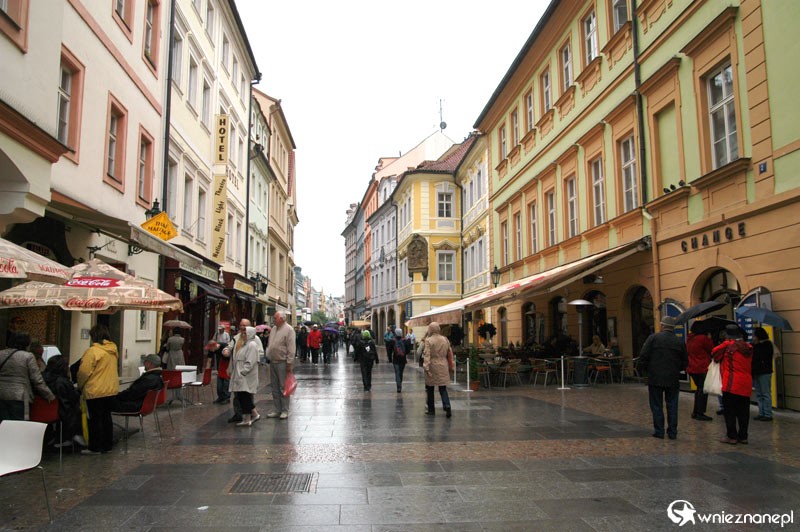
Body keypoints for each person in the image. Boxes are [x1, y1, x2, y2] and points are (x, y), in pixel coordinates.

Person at [639, 316, 688, 440]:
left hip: (655, 378)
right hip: (673, 378)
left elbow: (643, 356)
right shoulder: (679, 341)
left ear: (662, 326)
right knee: (672, 405)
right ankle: (672, 432)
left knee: (656, 405)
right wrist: (676, 369)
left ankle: (659, 431)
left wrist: (646, 371)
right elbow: (685, 361)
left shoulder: (653, 338)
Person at [77, 324, 119, 454]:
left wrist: (80, 385)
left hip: (95, 389)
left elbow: (84, 372)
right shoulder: (113, 349)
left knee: (95, 419)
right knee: (106, 417)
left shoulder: (92, 351)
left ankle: (95, 447)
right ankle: (107, 445)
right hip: (110, 389)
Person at [0, 332, 55, 421]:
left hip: (1, 394)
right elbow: (37, 379)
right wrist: (49, 395)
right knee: (17, 424)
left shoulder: (1, 354)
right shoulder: (28, 356)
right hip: (19, 395)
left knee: (3, 424)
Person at [713, 324, 753, 444]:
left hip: (731, 383)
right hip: (746, 383)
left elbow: (715, 354)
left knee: (729, 411)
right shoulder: (748, 347)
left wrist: (726, 343)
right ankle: (743, 436)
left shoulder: (727, 346)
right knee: (744, 412)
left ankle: (732, 436)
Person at [224, 319, 264, 423]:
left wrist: (245, 369)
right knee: (238, 394)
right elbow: (230, 347)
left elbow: (259, 354)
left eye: (245, 326)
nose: (242, 328)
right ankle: (239, 414)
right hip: (237, 370)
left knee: (246, 394)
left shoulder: (254, 340)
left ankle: (249, 415)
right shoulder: (237, 338)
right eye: (241, 325)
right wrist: (226, 350)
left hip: (245, 372)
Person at [42, 355, 84, 447]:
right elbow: (73, 398)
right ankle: (72, 436)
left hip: (41, 412)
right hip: (62, 412)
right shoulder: (62, 381)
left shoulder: (42, 378)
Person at [266, 311, 296, 419]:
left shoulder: (289, 330)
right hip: (273, 361)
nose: (274, 320)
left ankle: (284, 410)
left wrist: (289, 362)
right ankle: (277, 409)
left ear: (282, 319)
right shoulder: (274, 329)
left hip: (283, 362)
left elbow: (291, 347)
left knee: (283, 387)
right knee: (274, 387)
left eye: (275, 318)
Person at [421, 322, 453, 417]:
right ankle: (447, 405)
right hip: (443, 364)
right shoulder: (445, 339)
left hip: (432, 365)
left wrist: (426, 367)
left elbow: (427, 355)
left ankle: (431, 409)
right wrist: (451, 366)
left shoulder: (428, 340)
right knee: (443, 388)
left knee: (430, 388)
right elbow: (450, 353)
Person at [686, 321, 714, 421]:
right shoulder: (703, 338)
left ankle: (696, 411)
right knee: (703, 390)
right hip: (702, 367)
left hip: (692, 367)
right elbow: (711, 349)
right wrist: (710, 338)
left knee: (699, 389)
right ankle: (700, 412)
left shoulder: (690, 338)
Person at [752, 327, 777, 422]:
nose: (753, 337)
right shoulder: (756, 345)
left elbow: (760, 356)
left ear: (758, 336)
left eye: (754, 335)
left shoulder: (767, 345)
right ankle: (761, 413)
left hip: (764, 372)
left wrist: (756, 346)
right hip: (757, 371)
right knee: (759, 394)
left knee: (765, 393)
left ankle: (767, 414)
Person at [206, 325, 231, 404]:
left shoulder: (224, 346)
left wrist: (229, 368)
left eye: (210, 348)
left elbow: (229, 356)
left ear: (214, 346)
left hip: (227, 363)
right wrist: (207, 372)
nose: (210, 350)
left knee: (226, 382)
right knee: (219, 382)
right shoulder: (212, 349)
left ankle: (226, 397)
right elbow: (209, 360)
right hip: (221, 363)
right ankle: (220, 397)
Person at [392, 327, 407, 393]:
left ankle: (398, 387)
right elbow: (408, 350)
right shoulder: (404, 341)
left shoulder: (393, 341)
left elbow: (390, 349)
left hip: (395, 359)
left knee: (397, 373)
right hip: (403, 359)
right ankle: (400, 383)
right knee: (401, 373)